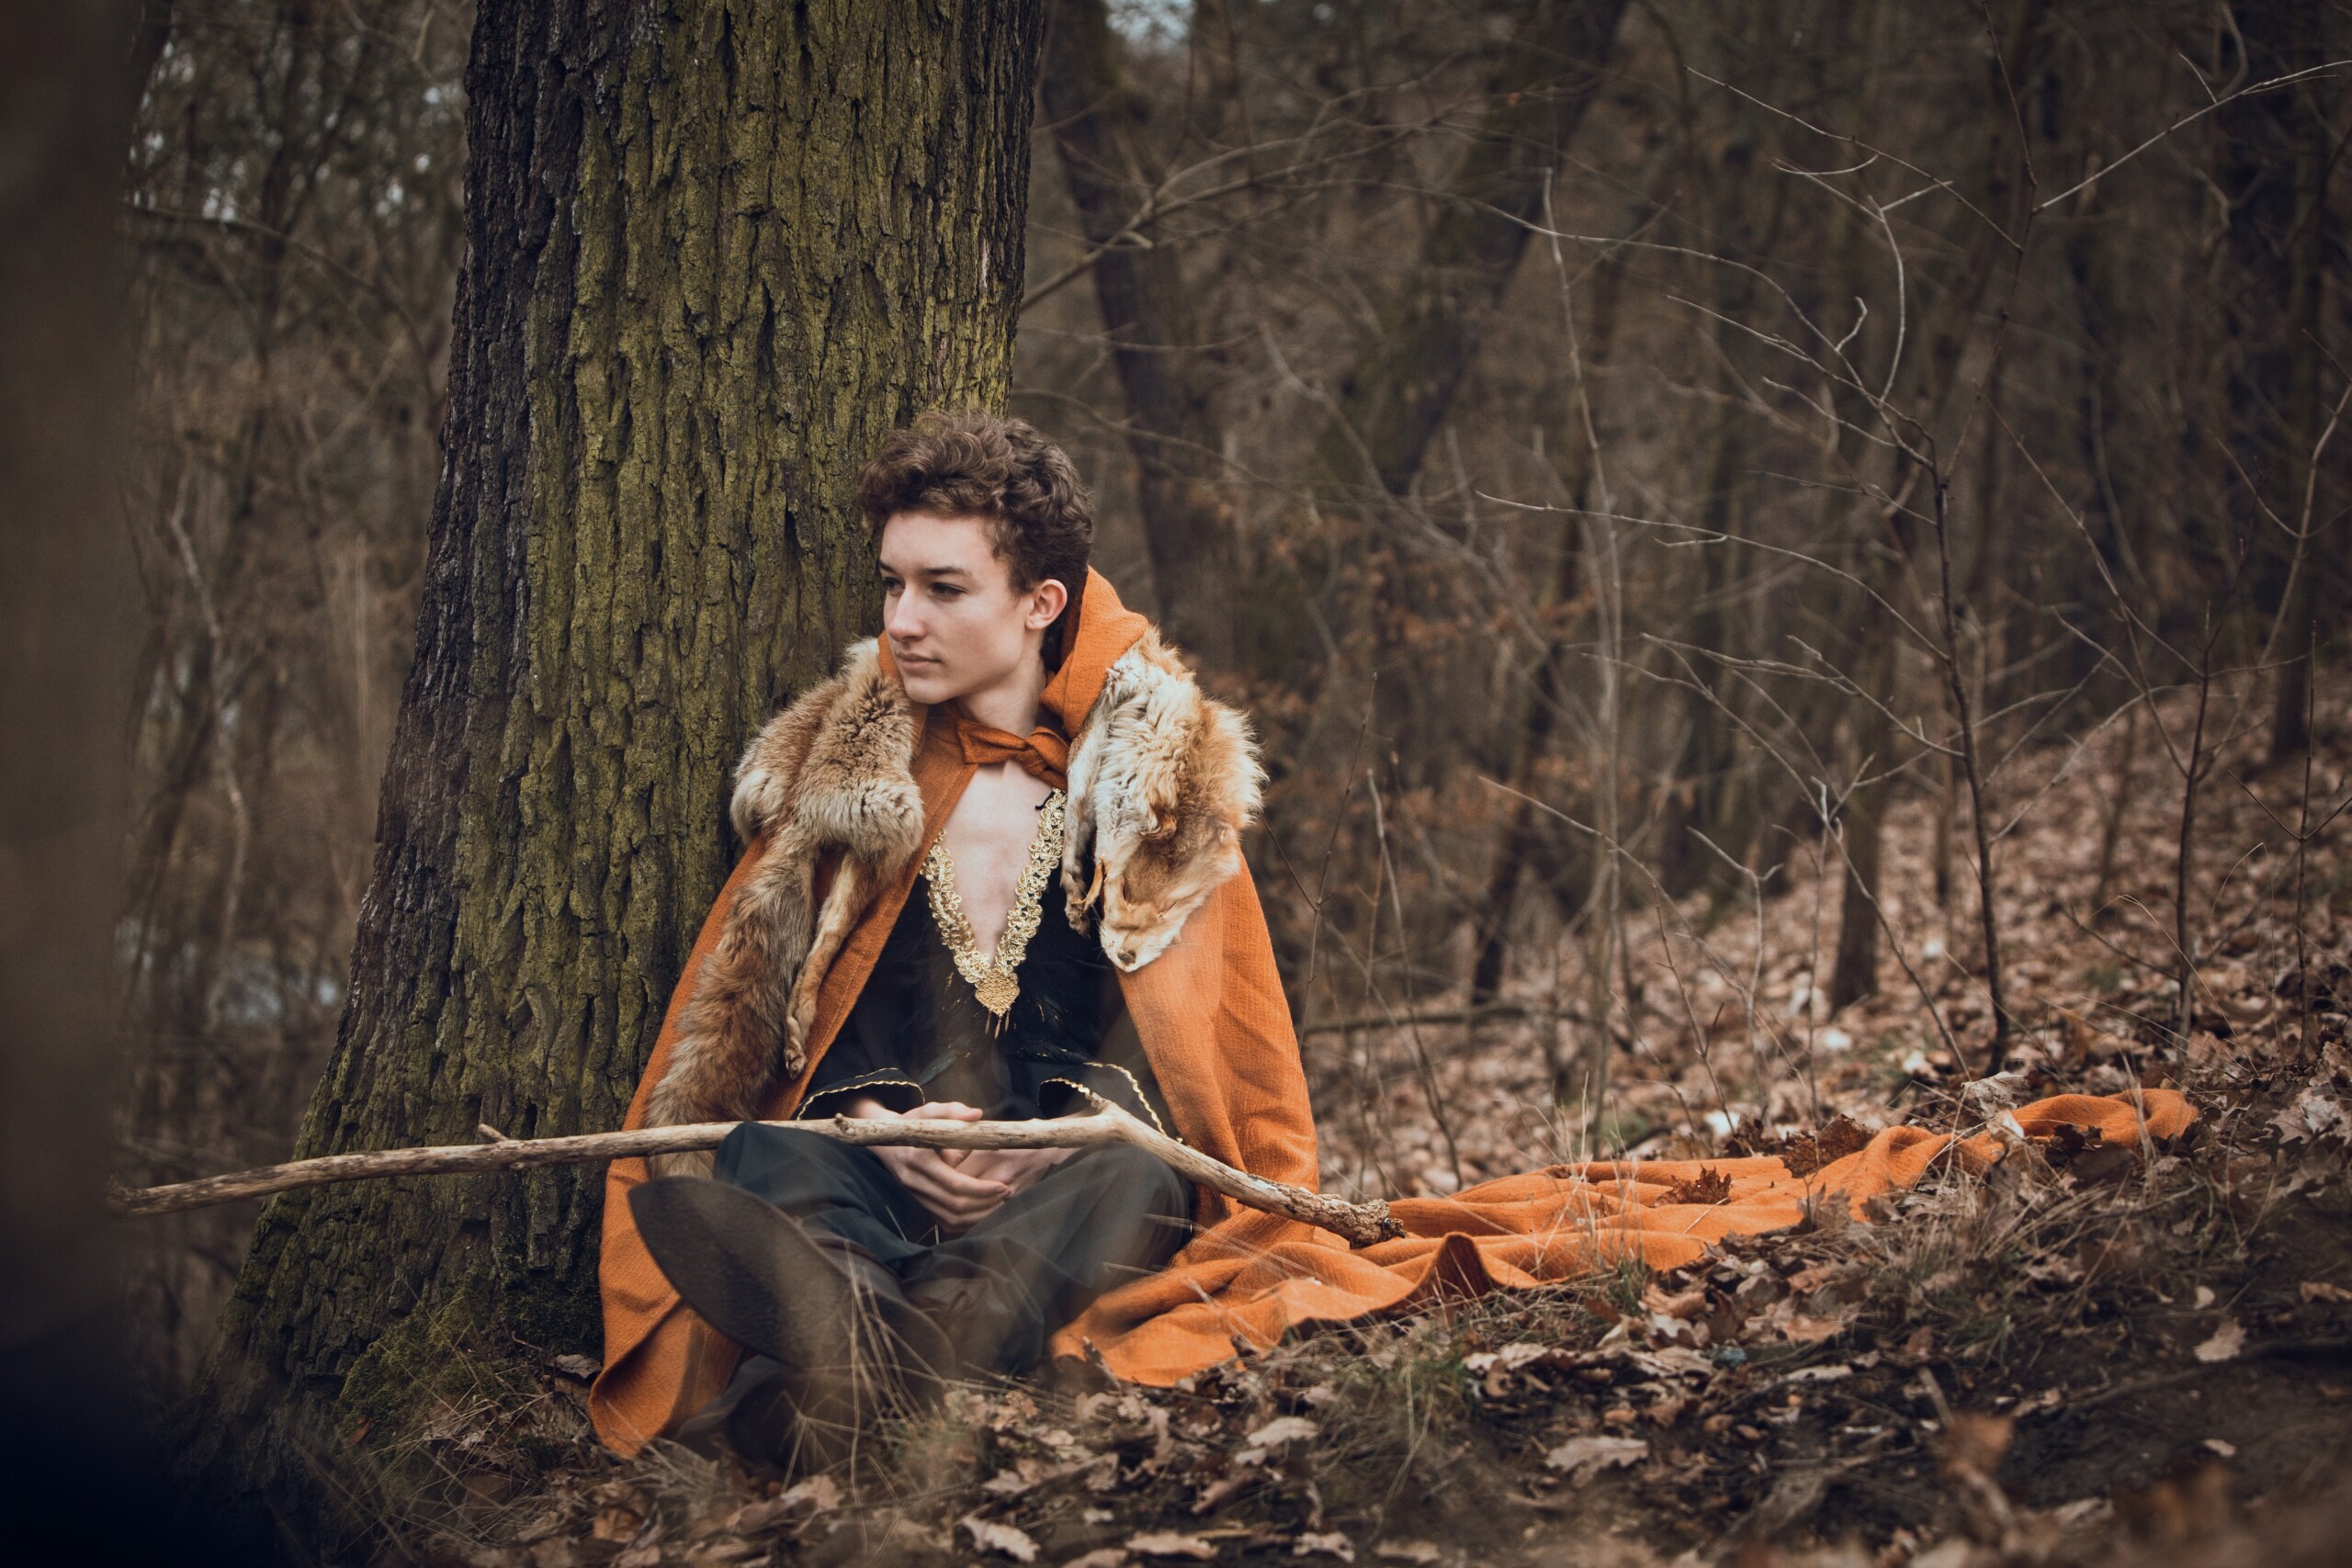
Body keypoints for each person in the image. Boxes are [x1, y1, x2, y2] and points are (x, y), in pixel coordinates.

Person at [589, 410, 1320, 1469]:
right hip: (881, 1175)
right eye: (892, 585)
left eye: (942, 589)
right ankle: (878, 1328)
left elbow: (1198, 1060)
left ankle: (882, 1352)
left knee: (1141, 1182)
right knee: (757, 1151)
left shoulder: (1148, 798)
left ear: (1040, 603)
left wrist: (1073, 1137)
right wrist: (875, 1126)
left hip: (1060, 1190)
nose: (902, 622)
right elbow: (799, 1024)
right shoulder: (852, 784)